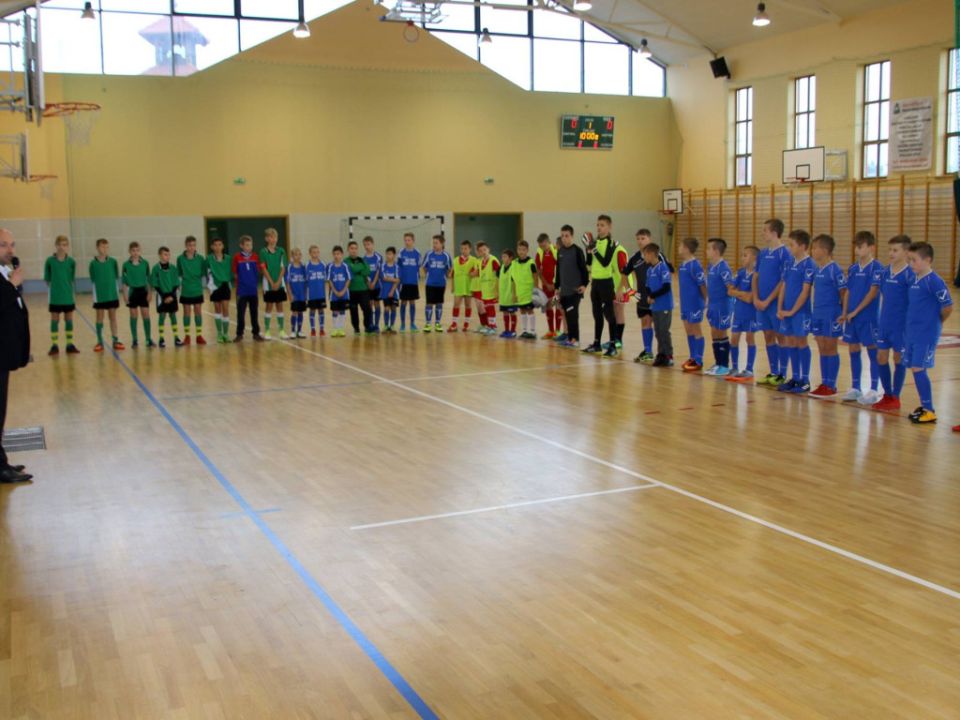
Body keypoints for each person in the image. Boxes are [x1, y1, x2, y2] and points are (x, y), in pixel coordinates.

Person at [904, 241, 953, 424]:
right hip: (912, 332)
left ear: (928, 260)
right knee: (915, 368)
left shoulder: (935, 281)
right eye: (909, 260)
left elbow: (948, 306)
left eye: (914, 260)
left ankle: (929, 409)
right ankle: (925, 406)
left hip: (926, 333)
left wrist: (935, 323)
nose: (911, 264)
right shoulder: (913, 279)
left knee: (919, 367)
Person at [0, 228, 32, 483]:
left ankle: (1, 462)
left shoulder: (4, 273)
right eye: (4, 245)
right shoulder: (6, 280)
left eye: (12, 244)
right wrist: (12, 286)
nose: (10, 250)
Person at [872, 235, 915, 412]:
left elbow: (914, 302)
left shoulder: (910, 274)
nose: (891, 253)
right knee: (881, 357)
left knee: (898, 358)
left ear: (906, 252)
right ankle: (887, 394)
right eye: (889, 250)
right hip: (885, 323)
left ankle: (895, 396)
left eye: (895, 250)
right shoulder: (884, 272)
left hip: (901, 325)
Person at [841, 231, 884, 405]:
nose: (857, 250)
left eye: (860, 246)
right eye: (856, 247)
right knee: (853, 349)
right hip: (852, 317)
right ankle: (855, 387)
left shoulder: (877, 268)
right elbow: (848, 291)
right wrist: (845, 312)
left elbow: (872, 293)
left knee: (873, 350)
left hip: (868, 317)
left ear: (871, 247)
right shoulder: (853, 268)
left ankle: (873, 389)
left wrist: (856, 311)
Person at [775, 229, 816, 394]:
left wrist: (792, 311)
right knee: (791, 342)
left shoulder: (809, 264)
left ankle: (805, 380)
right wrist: (780, 307)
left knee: (801, 342)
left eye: (792, 245)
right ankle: (796, 377)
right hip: (787, 311)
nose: (789, 247)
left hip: (801, 312)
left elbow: (805, 292)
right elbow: (783, 286)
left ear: (803, 246)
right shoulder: (789, 263)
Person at [807, 234, 847, 398]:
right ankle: (824, 382)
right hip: (818, 313)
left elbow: (843, 292)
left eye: (815, 248)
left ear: (824, 250)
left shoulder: (835, 269)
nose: (812, 251)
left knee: (830, 347)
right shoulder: (817, 269)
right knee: (822, 347)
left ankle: (831, 384)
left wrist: (843, 313)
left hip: (831, 313)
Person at [753, 219, 791, 386]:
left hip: (775, 304)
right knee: (767, 335)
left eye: (765, 230)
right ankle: (773, 371)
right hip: (761, 303)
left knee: (781, 336)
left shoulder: (785, 253)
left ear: (774, 233)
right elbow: (756, 276)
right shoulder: (762, 253)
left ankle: (782, 373)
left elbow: (783, 281)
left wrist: (768, 300)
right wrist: (756, 298)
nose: (763, 233)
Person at [583, 215, 618, 355]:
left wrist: (594, 250)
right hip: (595, 282)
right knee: (597, 315)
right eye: (598, 225)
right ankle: (596, 343)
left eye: (602, 225)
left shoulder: (612, 243)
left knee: (609, 315)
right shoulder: (595, 243)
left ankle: (613, 346)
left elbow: (605, 262)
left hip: (606, 283)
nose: (599, 227)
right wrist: (588, 249)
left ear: (609, 227)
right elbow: (589, 263)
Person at [726, 246, 759, 382]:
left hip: (751, 313)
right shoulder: (740, 273)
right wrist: (742, 294)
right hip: (738, 312)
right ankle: (734, 368)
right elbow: (730, 291)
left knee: (749, 339)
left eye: (745, 255)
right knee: (734, 339)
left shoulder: (757, 275)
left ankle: (749, 369)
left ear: (754, 257)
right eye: (742, 255)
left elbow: (750, 298)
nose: (742, 258)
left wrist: (738, 293)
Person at [622, 229, 656, 363]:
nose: (640, 241)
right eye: (638, 239)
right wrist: (630, 291)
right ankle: (648, 350)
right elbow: (624, 274)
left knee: (660, 327)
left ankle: (665, 354)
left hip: (656, 298)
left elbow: (668, 272)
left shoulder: (658, 256)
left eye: (643, 238)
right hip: (642, 297)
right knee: (645, 322)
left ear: (649, 239)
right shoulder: (635, 258)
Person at [703, 238, 735, 376]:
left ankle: (724, 365)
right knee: (714, 332)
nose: (706, 251)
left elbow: (731, 287)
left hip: (723, 305)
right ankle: (717, 363)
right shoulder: (711, 266)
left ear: (716, 251)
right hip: (713, 304)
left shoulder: (724, 268)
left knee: (721, 332)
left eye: (708, 248)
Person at [554, 224, 588, 349]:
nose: (564, 238)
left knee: (573, 315)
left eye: (567, 236)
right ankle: (570, 338)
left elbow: (584, 270)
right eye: (562, 236)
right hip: (564, 290)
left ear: (572, 236)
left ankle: (575, 339)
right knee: (568, 315)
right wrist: (557, 287)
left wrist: (584, 285)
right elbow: (558, 271)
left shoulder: (577, 251)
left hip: (575, 291)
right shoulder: (560, 252)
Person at [44, 235, 79, 356]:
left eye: (64, 245)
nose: (61, 247)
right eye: (59, 245)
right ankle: (54, 345)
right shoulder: (50, 261)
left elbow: (71, 278)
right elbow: (47, 279)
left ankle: (69, 344)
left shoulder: (71, 262)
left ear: (67, 246)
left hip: (68, 297)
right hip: (55, 297)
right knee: (55, 320)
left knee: (69, 320)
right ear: (56, 245)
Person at [89, 238, 124, 352]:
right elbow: (93, 278)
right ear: (97, 248)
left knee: (112, 317)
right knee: (99, 318)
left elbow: (115, 277)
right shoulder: (93, 264)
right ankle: (100, 342)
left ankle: (115, 340)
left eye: (106, 247)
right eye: (102, 247)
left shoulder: (113, 262)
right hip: (99, 296)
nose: (105, 249)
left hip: (112, 295)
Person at [677, 237, 706, 372]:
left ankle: (699, 359)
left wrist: (706, 300)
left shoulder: (695, 265)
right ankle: (692, 357)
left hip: (695, 303)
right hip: (685, 303)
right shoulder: (682, 265)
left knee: (696, 330)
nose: (679, 248)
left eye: (680, 246)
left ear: (686, 249)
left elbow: (702, 284)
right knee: (688, 329)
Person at [644, 243, 674, 367]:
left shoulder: (663, 268)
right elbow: (647, 286)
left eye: (645, 254)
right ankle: (661, 354)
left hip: (664, 305)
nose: (644, 257)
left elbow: (666, 287)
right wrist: (649, 296)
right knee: (658, 331)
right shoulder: (649, 270)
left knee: (664, 331)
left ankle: (669, 356)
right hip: (655, 306)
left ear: (652, 254)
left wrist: (653, 296)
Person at [176, 235, 207, 346]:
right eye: (189, 245)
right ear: (186, 246)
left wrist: (203, 287)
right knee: (186, 312)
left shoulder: (200, 258)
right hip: (186, 289)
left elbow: (203, 274)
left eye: (193, 245)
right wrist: (178, 287)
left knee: (198, 311)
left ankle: (199, 335)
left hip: (197, 289)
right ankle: (187, 336)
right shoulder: (180, 259)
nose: (191, 247)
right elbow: (179, 274)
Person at [121, 241, 153, 349]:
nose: (135, 252)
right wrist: (125, 295)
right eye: (133, 251)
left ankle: (148, 339)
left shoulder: (145, 263)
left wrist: (150, 292)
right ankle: (134, 340)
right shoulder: (126, 265)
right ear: (129, 252)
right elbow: (124, 282)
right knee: (133, 315)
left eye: (137, 250)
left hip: (143, 292)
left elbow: (148, 279)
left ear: (140, 251)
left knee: (146, 315)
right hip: (132, 292)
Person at [149, 246, 182, 348]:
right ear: (160, 255)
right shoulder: (155, 269)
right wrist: (164, 297)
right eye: (165, 254)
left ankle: (176, 337)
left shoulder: (173, 268)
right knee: (162, 316)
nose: (167, 256)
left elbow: (176, 283)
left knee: (173, 316)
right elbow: (155, 284)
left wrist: (171, 296)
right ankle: (161, 338)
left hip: (172, 295)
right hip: (161, 296)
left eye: (168, 254)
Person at [232, 235, 263, 343]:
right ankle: (239, 334)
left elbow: (257, 271)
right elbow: (235, 273)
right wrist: (241, 283)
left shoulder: (255, 257)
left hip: (253, 290)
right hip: (241, 291)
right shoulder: (237, 257)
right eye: (247, 245)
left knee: (254, 313)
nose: (249, 247)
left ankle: (256, 333)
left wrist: (253, 283)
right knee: (240, 314)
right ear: (241, 246)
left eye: (250, 245)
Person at [260, 228, 288, 340]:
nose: (273, 239)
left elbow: (283, 267)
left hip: (280, 283)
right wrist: (272, 282)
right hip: (268, 283)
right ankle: (267, 331)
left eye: (274, 237)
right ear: (266, 239)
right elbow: (263, 268)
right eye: (270, 237)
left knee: (280, 306)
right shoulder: (263, 252)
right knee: (269, 306)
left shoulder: (281, 251)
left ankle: (281, 330)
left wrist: (278, 281)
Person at [421, 234, 452, 333]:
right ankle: (428, 323)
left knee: (439, 303)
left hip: (441, 284)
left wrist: (446, 275)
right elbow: (424, 267)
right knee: (429, 303)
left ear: (442, 244)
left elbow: (449, 268)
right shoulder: (429, 254)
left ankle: (438, 323)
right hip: (430, 283)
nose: (434, 245)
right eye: (433, 243)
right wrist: (429, 275)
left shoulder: (446, 256)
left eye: (436, 243)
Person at [206, 237, 233, 344]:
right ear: (212, 247)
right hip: (215, 286)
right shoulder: (209, 259)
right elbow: (206, 272)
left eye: (220, 244)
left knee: (225, 309)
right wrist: (209, 286)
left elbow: (231, 272)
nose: (218, 247)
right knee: (217, 309)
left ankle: (226, 334)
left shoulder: (228, 258)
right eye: (215, 245)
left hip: (225, 285)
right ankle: (219, 334)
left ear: (223, 246)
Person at [449, 240, 479, 332]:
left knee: (468, 305)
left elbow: (477, 273)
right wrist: (452, 286)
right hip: (459, 286)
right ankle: (454, 323)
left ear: (470, 249)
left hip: (469, 286)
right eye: (462, 248)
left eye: (465, 248)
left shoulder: (474, 260)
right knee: (456, 304)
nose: (463, 250)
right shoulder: (455, 260)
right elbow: (452, 274)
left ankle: (466, 323)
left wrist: (473, 273)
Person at [535, 233, 560, 339]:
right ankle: (551, 330)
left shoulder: (556, 250)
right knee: (548, 306)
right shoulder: (539, 253)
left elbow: (561, 269)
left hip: (557, 285)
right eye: (540, 246)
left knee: (557, 304)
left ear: (548, 242)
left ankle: (557, 331)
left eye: (544, 245)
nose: (542, 247)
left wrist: (555, 284)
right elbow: (539, 271)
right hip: (546, 286)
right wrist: (546, 284)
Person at [345, 240, 372, 335]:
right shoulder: (346, 261)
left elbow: (367, 271)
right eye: (352, 248)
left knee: (367, 309)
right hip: (351, 290)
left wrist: (357, 270)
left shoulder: (362, 260)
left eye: (355, 248)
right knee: (353, 310)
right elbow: (351, 269)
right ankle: (356, 328)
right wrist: (360, 269)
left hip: (363, 289)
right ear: (348, 249)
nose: (354, 250)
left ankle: (367, 327)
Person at [513, 240, 538, 340]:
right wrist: (514, 293)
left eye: (523, 250)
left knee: (530, 310)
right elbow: (513, 279)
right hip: (520, 292)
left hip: (529, 292)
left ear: (527, 250)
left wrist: (535, 291)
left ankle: (532, 331)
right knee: (522, 311)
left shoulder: (531, 263)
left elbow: (535, 277)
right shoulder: (514, 263)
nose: (521, 252)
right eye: (519, 249)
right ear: (517, 250)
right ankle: (524, 331)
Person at [397, 232, 421, 333]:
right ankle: (402, 324)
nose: (407, 242)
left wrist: (417, 278)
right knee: (403, 302)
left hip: (413, 282)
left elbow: (419, 267)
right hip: (403, 282)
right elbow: (398, 266)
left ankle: (412, 324)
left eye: (409, 240)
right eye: (405, 240)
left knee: (412, 301)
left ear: (413, 241)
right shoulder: (401, 252)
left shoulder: (417, 253)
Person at [476, 241, 500, 336]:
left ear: (488, 249)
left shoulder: (493, 260)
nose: (483, 252)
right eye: (481, 251)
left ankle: (493, 326)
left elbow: (499, 275)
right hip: (485, 289)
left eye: (485, 249)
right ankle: (490, 325)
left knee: (490, 308)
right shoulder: (481, 262)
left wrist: (497, 290)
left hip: (492, 288)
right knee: (487, 308)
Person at [327, 245, 352, 338]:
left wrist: (343, 291)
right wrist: (335, 291)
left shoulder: (345, 266)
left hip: (344, 293)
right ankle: (335, 328)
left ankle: (341, 328)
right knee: (335, 311)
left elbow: (349, 279)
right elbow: (329, 280)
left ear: (342, 254)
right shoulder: (330, 266)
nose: (336, 256)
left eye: (338, 254)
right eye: (334, 254)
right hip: (334, 294)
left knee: (342, 310)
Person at [305, 245, 327, 337]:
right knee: (312, 310)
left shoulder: (323, 264)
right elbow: (305, 280)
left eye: (317, 252)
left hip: (321, 293)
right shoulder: (307, 265)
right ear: (310, 253)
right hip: (311, 294)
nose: (316, 254)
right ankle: (313, 329)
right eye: (313, 252)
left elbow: (326, 279)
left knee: (321, 310)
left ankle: (321, 329)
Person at [363, 236, 383, 333]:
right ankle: (370, 324)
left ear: (372, 244)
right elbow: (364, 273)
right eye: (365, 245)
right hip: (367, 286)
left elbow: (378, 271)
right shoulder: (363, 259)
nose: (367, 247)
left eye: (368, 244)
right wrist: (368, 282)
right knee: (369, 304)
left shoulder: (378, 257)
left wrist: (374, 282)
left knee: (377, 303)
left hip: (377, 285)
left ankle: (377, 325)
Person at [286, 247, 308, 339]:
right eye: (295, 255)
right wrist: (290, 294)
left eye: (299, 254)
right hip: (294, 294)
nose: (298, 256)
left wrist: (306, 294)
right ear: (292, 256)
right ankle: (292, 331)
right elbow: (287, 282)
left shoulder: (303, 267)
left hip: (302, 294)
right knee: (294, 312)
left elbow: (306, 282)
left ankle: (299, 330)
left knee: (300, 312)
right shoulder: (290, 267)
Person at [380, 246, 401, 333]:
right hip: (385, 292)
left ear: (394, 255)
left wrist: (392, 291)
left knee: (393, 308)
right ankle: (386, 325)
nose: (388, 256)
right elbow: (384, 278)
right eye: (387, 254)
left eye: (390, 254)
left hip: (394, 292)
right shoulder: (383, 266)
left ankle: (392, 325)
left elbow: (398, 280)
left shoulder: (397, 267)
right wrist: (394, 279)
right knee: (386, 308)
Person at [498, 249, 518, 339]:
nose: (503, 258)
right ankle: (506, 330)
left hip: (511, 295)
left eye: (505, 256)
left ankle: (513, 331)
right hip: (503, 296)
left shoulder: (514, 267)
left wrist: (515, 294)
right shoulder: (501, 267)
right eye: (502, 256)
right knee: (505, 313)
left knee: (512, 313)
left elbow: (515, 282)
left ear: (510, 258)